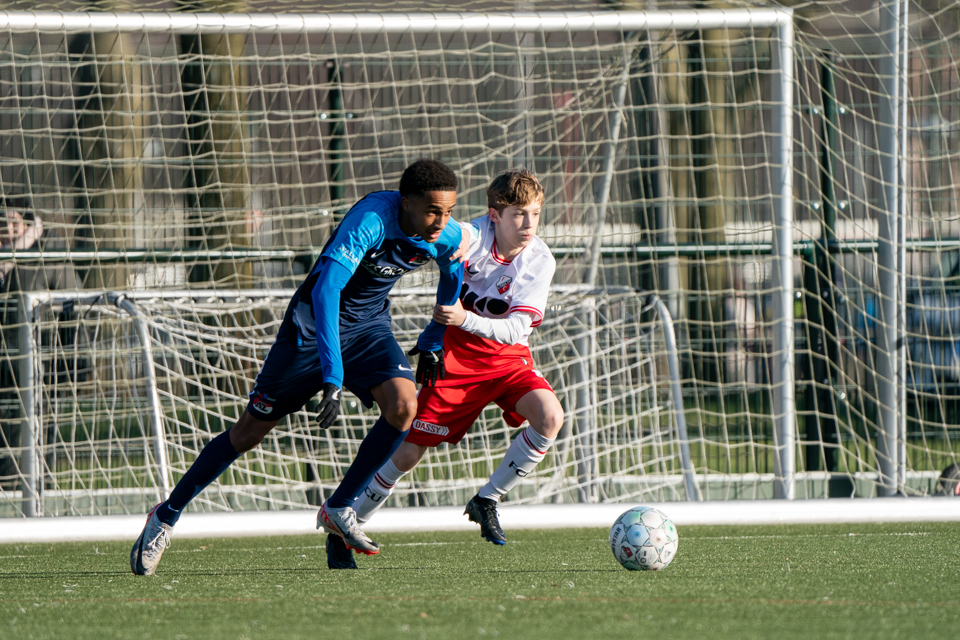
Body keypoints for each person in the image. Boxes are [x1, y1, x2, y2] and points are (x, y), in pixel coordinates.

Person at [131, 159, 470, 576]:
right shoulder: (370, 220)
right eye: (433, 211)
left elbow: (453, 279)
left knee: (404, 407)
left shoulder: (447, 234)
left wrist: (433, 341)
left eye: (449, 211)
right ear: (406, 204)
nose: (442, 221)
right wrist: (333, 376)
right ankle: (165, 516)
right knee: (247, 434)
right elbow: (328, 291)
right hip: (310, 333)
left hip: (368, 329)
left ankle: (340, 508)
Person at [326, 168, 562, 569]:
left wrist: (462, 318)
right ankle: (346, 526)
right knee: (407, 453)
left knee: (550, 417)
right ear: (494, 216)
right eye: (519, 214)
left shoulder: (540, 261)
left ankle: (487, 498)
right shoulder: (472, 236)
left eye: (535, 214)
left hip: (507, 358)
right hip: (455, 360)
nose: (528, 225)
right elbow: (457, 236)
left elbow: (517, 329)